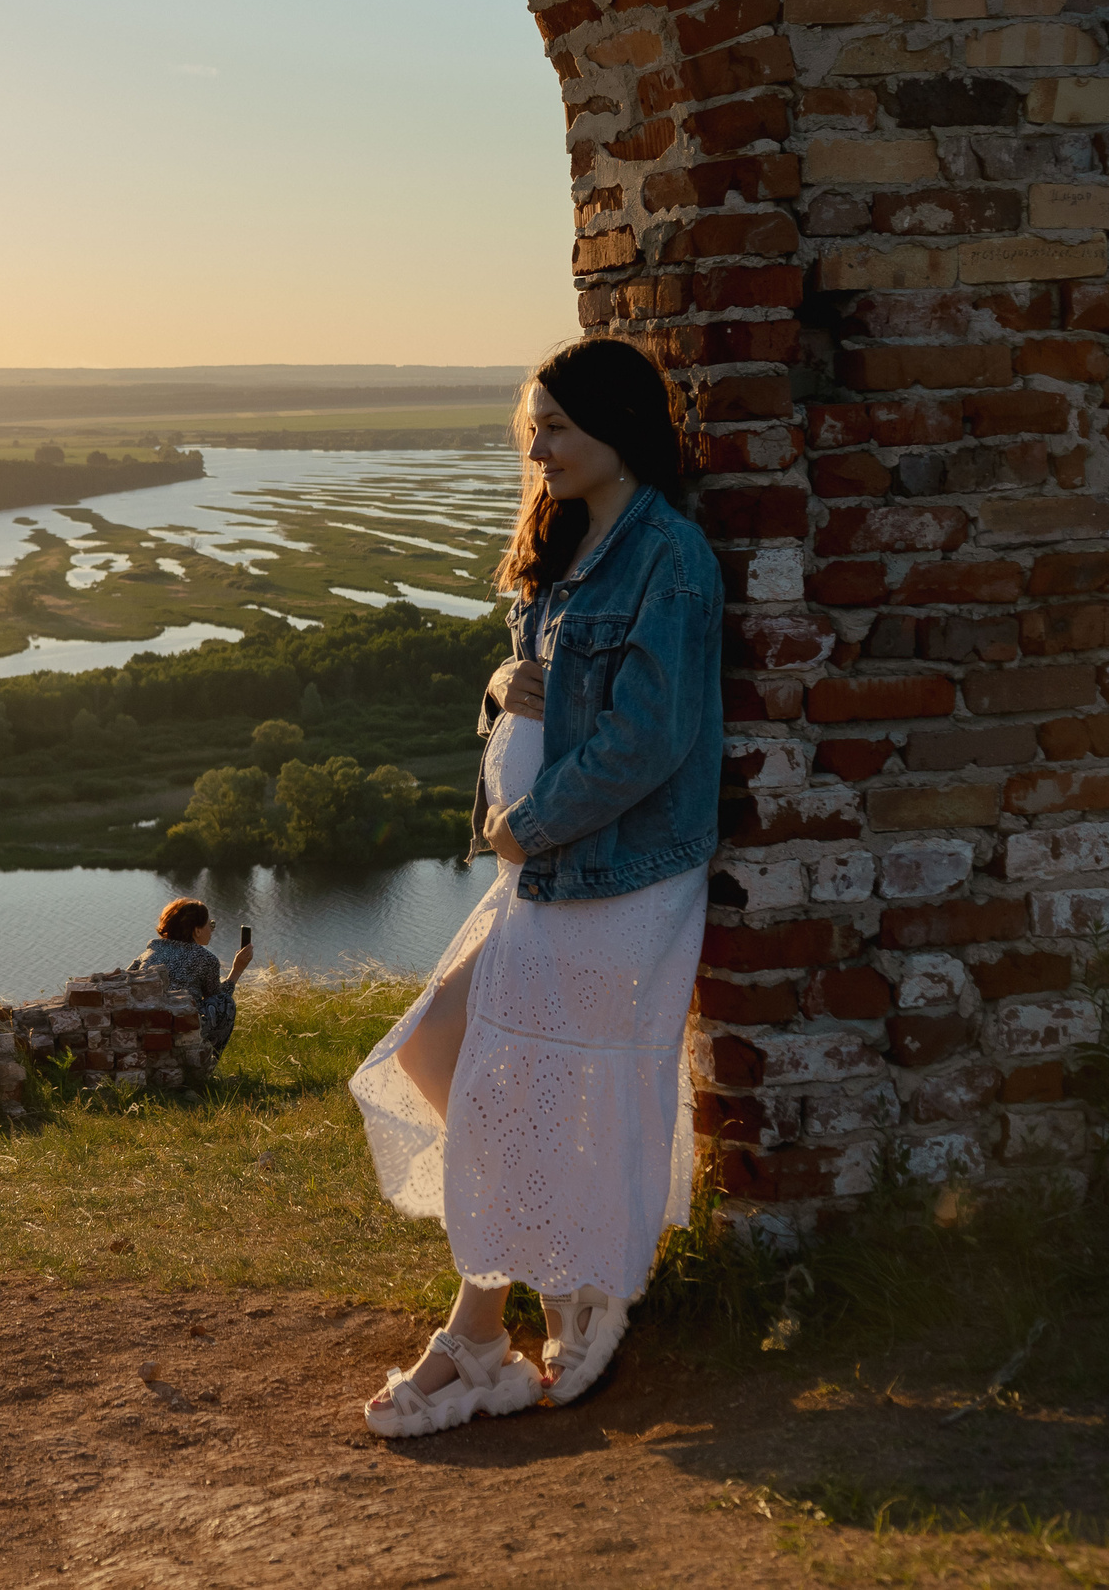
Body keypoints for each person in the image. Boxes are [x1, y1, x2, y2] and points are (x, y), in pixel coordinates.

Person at [349, 335, 723, 1438]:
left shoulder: (670, 557)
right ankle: (537, 1291)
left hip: (613, 871)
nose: (539, 447)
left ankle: (520, 1316)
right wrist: (506, 692)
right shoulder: (569, 540)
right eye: (533, 429)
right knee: (438, 1049)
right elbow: (546, 701)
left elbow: (649, 738)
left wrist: (527, 823)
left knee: (524, 1082)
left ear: (619, 427)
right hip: (547, 865)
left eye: (557, 427)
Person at [130, 898, 253, 1054]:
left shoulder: (149, 952)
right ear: (197, 930)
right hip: (178, 1028)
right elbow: (218, 998)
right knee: (226, 1003)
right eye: (211, 924)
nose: (212, 929)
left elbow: (127, 980)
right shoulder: (205, 958)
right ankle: (206, 1062)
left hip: (145, 1026)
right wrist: (237, 969)